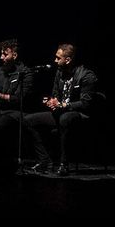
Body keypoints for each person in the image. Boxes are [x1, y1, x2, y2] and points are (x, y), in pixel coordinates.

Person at [24, 43, 102, 176]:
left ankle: (63, 164)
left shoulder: (86, 75)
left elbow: (85, 103)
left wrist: (63, 105)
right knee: (28, 120)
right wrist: (51, 102)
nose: (55, 60)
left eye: (58, 58)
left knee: (65, 119)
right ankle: (45, 161)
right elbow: (56, 95)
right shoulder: (60, 72)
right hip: (61, 112)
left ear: (68, 59)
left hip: (80, 114)